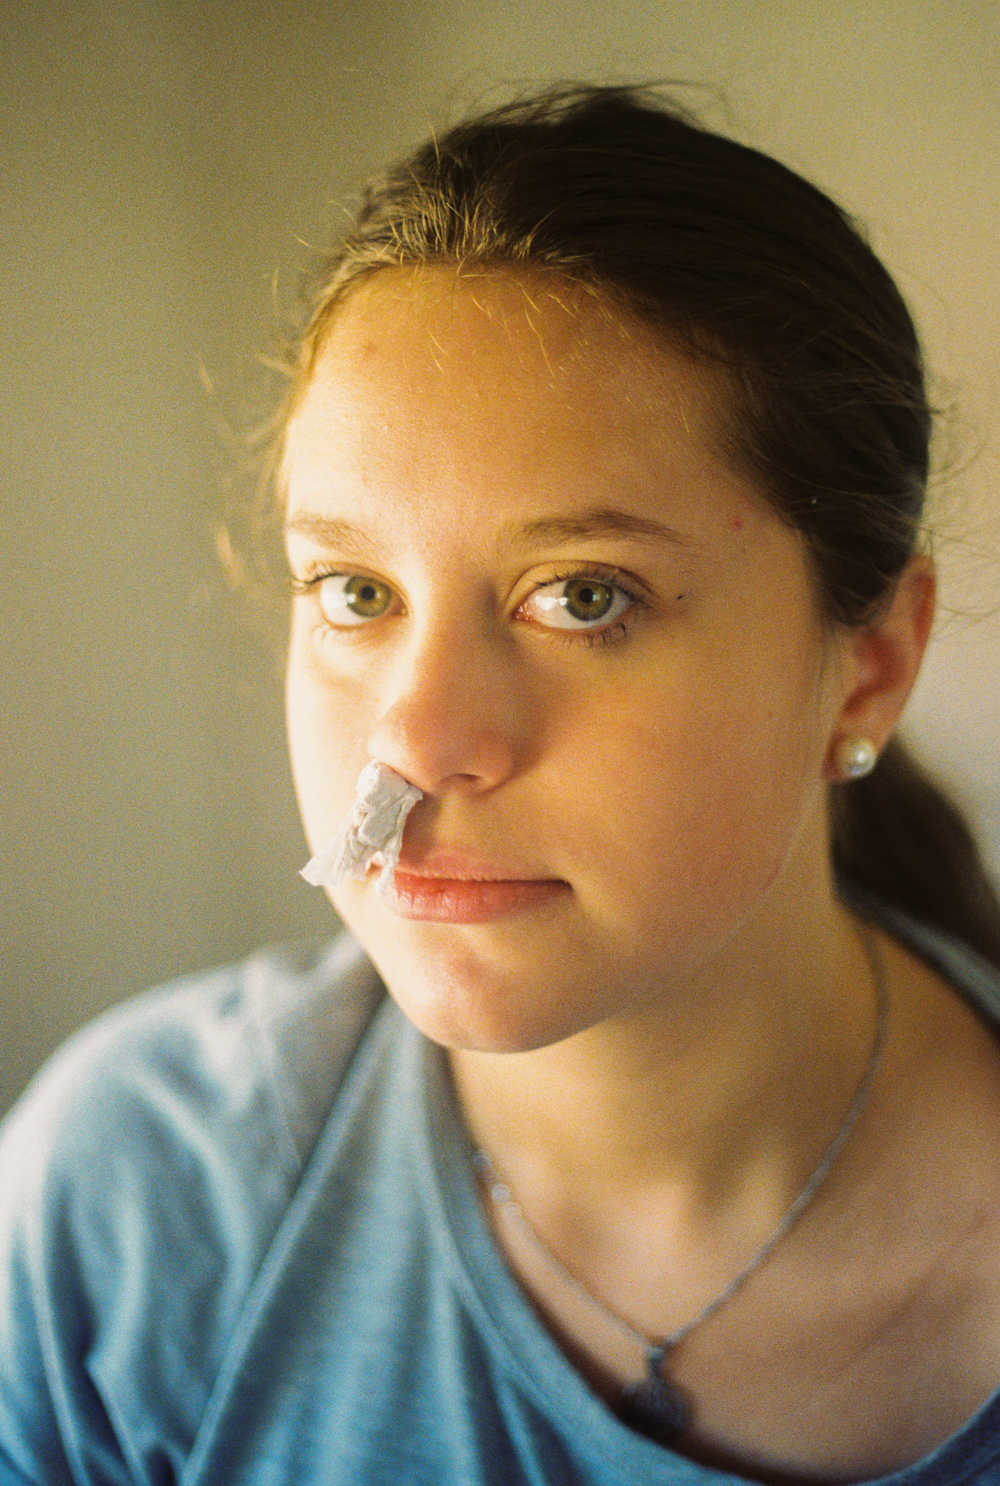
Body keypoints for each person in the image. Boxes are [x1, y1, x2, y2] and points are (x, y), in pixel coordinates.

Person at [3, 84, 1000, 1486]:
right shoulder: (126, 1209)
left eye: (584, 596)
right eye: (354, 590)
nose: (413, 741)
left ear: (870, 664)